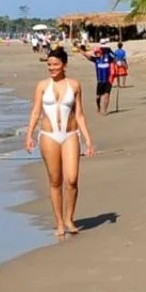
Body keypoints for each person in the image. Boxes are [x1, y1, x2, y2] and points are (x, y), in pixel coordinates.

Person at [24, 47, 95, 238]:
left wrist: (87, 139)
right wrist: (29, 135)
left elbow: (79, 114)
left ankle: (69, 218)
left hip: (70, 135)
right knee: (55, 181)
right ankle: (59, 223)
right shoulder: (41, 86)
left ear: (64, 65)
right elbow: (35, 112)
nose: (52, 68)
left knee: (71, 180)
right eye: (49, 65)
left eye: (55, 64)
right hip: (48, 136)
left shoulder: (74, 85)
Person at [85, 43, 116, 116]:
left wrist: (110, 51)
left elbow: (115, 58)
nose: (97, 54)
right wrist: (79, 49)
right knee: (98, 97)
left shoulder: (107, 57)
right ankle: (98, 107)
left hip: (108, 80)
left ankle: (105, 110)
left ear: (100, 52)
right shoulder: (96, 59)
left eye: (98, 52)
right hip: (100, 81)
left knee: (107, 95)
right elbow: (87, 56)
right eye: (95, 53)